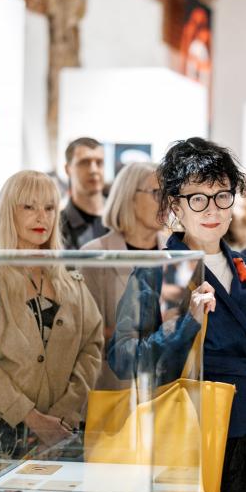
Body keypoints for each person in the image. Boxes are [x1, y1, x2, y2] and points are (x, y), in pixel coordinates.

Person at [108, 137, 246, 492]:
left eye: (222, 196)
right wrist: (187, 326)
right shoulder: (160, 271)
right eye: (198, 198)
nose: (213, 209)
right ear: (175, 207)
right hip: (187, 432)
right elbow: (123, 356)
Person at [0, 170, 104, 459]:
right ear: (9, 212)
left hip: (63, 435)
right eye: (29, 207)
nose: (41, 217)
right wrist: (34, 420)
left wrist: (62, 416)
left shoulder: (70, 279)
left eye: (48, 208)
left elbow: (92, 347)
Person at [81, 162, 164, 389]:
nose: (166, 201)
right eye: (157, 193)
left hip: (167, 389)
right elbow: (85, 333)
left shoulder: (176, 253)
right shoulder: (94, 255)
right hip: (115, 389)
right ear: (129, 196)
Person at [59, 137, 107, 249]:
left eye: (99, 162)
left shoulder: (122, 219)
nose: (93, 170)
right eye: (84, 162)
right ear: (68, 169)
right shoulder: (57, 226)